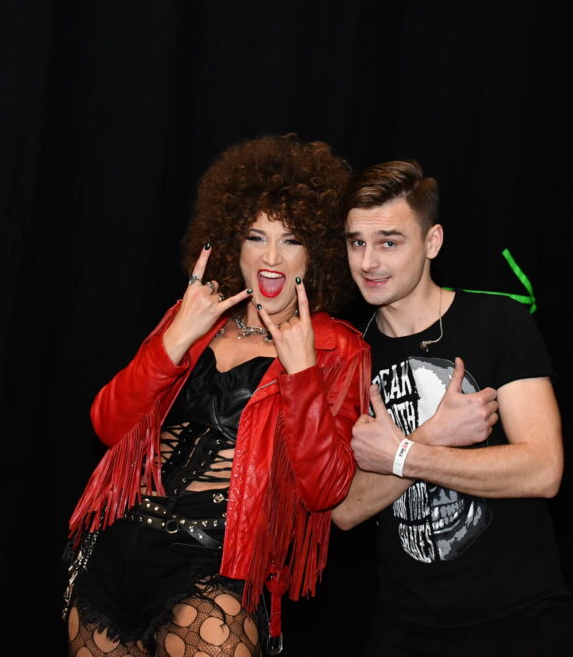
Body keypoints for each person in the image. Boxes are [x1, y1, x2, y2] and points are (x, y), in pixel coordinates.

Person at [62, 134, 370, 656]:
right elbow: (107, 424)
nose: (271, 256)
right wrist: (176, 338)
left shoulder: (336, 347)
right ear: (232, 243)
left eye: (291, 240)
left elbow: (325, 491)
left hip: (217, 565)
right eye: (256, 236)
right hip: (117, 547)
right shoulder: (194, 319)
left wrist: (302, 374)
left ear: (316, 252)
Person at [332, 159, 573, 656]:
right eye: (356, 243)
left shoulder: (498, 322)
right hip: (405, 628)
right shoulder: (347, 355)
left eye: (389, 242)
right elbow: (344, 510)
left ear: (432, 242)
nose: (368, 262)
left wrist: (403, 455)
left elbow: (543, 469)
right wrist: (431, 435)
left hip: (523, 618)